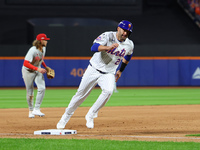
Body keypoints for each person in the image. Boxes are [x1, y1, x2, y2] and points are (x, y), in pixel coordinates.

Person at [57, 20, 134, 129]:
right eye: (124, 30)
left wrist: (121, 70)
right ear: (118, 28)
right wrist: (108, 47)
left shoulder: (129, 44)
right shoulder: (108, 35)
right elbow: (93, 47)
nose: (125, 33)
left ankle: (91, 114)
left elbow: (128, 56)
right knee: (80, 95)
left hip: (108, 73)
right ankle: (65, 117)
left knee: (108, 91)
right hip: (93, 69)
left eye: (128, 32)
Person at [22, 33, 50, 118]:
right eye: (45, 40)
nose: (46, 41)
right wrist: (38, 69)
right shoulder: (33, 50)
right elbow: (25, 63)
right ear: (41, 41)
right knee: (30, 92)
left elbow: (41, 60)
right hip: (28, 71)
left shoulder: (44, 49)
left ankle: (36, 109)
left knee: (42, 88)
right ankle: (30, 110)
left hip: (37, 69)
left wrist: (46, 67)